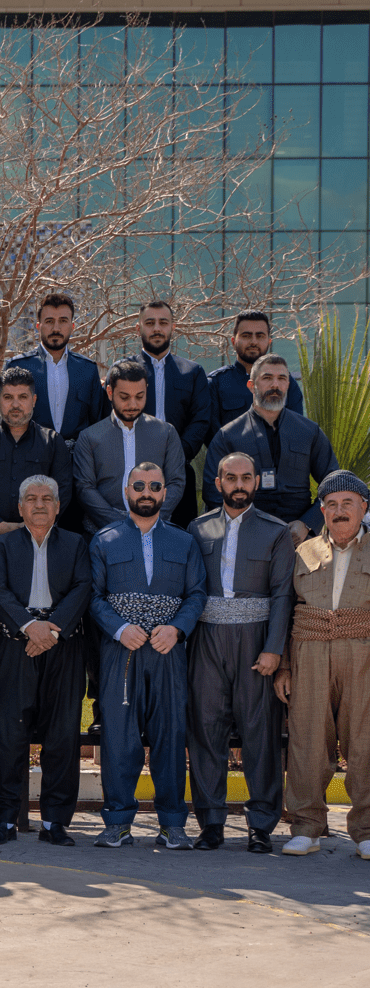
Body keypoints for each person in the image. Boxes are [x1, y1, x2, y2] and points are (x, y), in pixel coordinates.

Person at [89, 463, 207, 849]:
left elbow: (196, 594)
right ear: (126, 491)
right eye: (138, 485)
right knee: (119, 738)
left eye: (155, 486)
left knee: (170, 736)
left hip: (167, 650)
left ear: (165, 493)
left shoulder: (183, 541)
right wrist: (120, 628)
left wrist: (177, 629)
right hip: (120, 650)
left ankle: (172, 823)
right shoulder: (104, 540)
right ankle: (117, 821)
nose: (146, 492)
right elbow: (93, 597)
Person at [186, 453, 293, 854]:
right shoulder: (198, 528)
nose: (239, 485)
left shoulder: (276, 531)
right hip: (207, 639)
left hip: (255, 640)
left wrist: (273, 649)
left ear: (256, 482)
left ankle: (261, 825)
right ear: (218, 483)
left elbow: (282, 594)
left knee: (260, 732)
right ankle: (211, 822)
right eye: (231, 478)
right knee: (205, 729)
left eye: (246, 478)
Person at [0, 476, 92, 846]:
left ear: (58, 507)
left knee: (62, 735)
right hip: (15, 646)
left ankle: (55, 823)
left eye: (47, 498)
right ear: (20, 507)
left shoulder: (76, 544)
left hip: (63, 646)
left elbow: (82, 587)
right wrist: (31, 628)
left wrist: (52, 630)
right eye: (31, 498)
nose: (40, 504)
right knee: (8, 735)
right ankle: (4, 821)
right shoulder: (2, 546)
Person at [275, 471, 370, 857]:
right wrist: (284, 666)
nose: (339, 510)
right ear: (322, 510)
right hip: (310, 652)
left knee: (365, 741)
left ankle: (366, 831)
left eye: (348, 503)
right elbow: (285, 609)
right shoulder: (303, 551)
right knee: (308, 741)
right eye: (331, 504)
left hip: (363, 654)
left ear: (364, 507)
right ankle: (306, 828)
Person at [202, 353, 336, 540]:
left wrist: (307, 524)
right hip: (246, 538)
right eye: (267, 378)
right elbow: (213, 492)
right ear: (251, 386)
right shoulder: (228, 436)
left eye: (282, 378)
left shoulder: (309, 432)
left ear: (288, 385)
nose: (275, 385)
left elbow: (333, 483)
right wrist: (241, 527)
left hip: (301, 538)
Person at [0, 367, 74, 550]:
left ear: (33, 400)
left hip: (39, 543)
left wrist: (36, 523)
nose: (15, 404)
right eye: (8, 397)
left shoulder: (52, 442)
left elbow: (63, 490)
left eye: (22, 397)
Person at [72, 358, 187, 533]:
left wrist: (150, 520)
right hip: (103, 532)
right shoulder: (89, 437)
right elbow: (85, 488)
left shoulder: (166, 433)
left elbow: (176, 483)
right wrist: (120, 526)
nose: (132, 404)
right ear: (109, 392)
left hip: (156, 529)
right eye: (124, 397)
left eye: (139, 397)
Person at [135, 298, 215, 527]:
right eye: (150, 323)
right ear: (138, 328)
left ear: (173, 327)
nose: (157, 328)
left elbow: (200, 420)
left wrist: (176, 455)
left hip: (180, 471)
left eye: (163, 322)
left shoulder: (193, 372)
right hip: (133, 470)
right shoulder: (124, 371)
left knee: (179, 536)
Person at [7, 292, 108, 444]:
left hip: (76, 456)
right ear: (38, 326)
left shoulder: (87, 370)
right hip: (30, 455)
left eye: (63, 321)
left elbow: (97, 425)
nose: (56, 328)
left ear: (72, 326)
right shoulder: (17, 367)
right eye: (49, 321)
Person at [210, 310, 306, 429]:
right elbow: (213, 434)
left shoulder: (286, 383)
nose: (254, 342)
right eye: (246, 336)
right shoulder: (215, 383)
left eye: (260, 336)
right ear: (233, 342)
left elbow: (295, 429)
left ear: (269, 342)